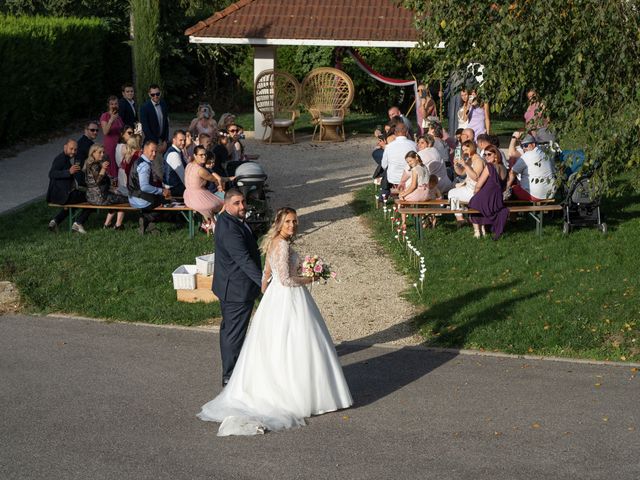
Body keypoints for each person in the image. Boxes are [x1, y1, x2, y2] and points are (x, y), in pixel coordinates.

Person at [198, 206, 353, 436]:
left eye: (295, 221)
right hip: (288, 297)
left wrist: (265, 291)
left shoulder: (275, 243)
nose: (292, 225)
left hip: (275, 298)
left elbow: (267, 273)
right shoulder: (281, 244)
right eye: (288, 221)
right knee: (295, 343)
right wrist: (310, 277)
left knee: (279, 344)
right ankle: (298, 393)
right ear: (279, 223)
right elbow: (287, 280)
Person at [209, 189, 263, 388]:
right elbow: (243, 260)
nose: (242, 207)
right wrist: (263, 282)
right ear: (226, 204)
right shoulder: (230, 229)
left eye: (243, 202)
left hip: (231, 285)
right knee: (233, 333)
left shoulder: (227, 220)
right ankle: (229, 376)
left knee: (230, 330)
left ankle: (234, 370)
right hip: (236, 290)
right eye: (237, 203)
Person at [46, 140, 92, 234]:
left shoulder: (66, 159)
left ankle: (55, 221)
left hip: (60, 194)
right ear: (65, 147)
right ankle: (78, 223)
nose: (73, 152)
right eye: (71, 149)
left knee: (75, 204)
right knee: (92, 199)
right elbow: (51, 174)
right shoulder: (60, 159)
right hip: (61, 195)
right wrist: (68, 172)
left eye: (75, 150)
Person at [127, 140, 171, 234]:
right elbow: (144, 187)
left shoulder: (138, 161)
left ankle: (149, 226)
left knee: (159, 200)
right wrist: (162, 191)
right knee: (167, 204)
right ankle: (146, 219)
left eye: (156, 151)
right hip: (140, 199)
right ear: (144, 150)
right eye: (152, 151)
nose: (154, 154)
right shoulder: (145, 166)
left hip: (132, 197)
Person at [469, 145, 510, 240]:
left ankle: (477, 231)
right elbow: (504, 187)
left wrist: (475, 193)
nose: (486, 156)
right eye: (484, 154)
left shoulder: (489, 167)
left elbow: (479, 185)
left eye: (489, 154)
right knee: (477, 203)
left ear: (496, 155)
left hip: (486, 199)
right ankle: (483, 228)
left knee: (473, 203)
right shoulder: (504, 168)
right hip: (497, 201)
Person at [83, 144, 129, 229]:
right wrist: (103, 168)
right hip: (100, 198)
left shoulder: (89, 163)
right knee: (125, 199)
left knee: (116, 198)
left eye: (103, 152)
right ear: (93, 153)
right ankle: (118, 225)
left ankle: (107, 224)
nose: (102, 154)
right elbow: (97, 181)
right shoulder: (95, 165)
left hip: (90, 197)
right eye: (99, 152)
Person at [183, 145, 226, 233]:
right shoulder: (201, 170)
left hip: (188, 196)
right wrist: (220, 183)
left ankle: (210, 222)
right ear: (195, 155)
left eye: (205, 155)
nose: (204, 157)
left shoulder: (189, 165)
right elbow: (213, 179)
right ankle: (216, 220)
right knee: (226, 201)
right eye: (201, 155)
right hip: (198, 197)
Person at [505, 134, 556, 202]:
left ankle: (517, 212)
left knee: (513, 189)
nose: (523, 148)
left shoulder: (527, 156)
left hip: (535, 195)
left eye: (525, 145)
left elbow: (512, 172)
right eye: (522, 146)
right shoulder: (544, 154)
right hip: (551, 194)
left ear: (533, 144)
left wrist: (506, 188)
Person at [448, 140, 485, 226]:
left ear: (472, 148)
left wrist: (465, 165)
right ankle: (462, 216)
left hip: (475, 190)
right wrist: (456, 165)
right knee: (453, 192)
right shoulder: (470, 159)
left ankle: (460, 218)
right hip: (469, 188)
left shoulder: (478, 160)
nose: (464, 152)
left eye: (466, 150)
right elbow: (461, 173)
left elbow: (476, 177)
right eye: (463, 150)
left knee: (451, 194)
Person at [380, 122, 417, 197]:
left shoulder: (389, 146)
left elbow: (384, 165)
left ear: (395, 133)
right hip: (410, 177)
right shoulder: (414, 145)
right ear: (406, 132)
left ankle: (384, 194)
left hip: (393, 178)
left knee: (387, 169)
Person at [100, 96, 125, 178]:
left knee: (120, 166)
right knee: (111, 167)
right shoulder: (105, 116)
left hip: (119, 146)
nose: (114, 106)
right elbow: (105, 131)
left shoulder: (119, 117)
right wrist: (111, 120)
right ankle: (112, 186)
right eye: (112, 104)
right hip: (110, 146)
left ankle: (119, 187)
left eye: (116, 104)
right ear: (108, 105)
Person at [140, 84, 169, 150]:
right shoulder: (145, 107)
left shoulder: (163, 104)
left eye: (157, 94)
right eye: (153, 94)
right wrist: (156, 144)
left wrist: (165, 141)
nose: (155, 96)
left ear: (160, 93)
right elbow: (146, 128)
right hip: (151, 143)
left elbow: (166, 124)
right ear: (149, 94)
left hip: (162, 142)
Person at [163, 130, 188, 197]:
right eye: (180, 140)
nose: (183, 142)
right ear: (174, 140)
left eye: (184, 140)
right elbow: (183, 176)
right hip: (173, 189)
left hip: (176, 186)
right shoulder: (173, 154)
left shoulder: (178, 151)